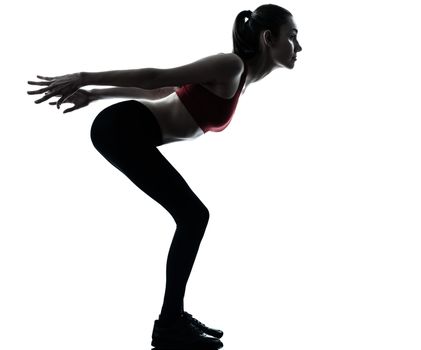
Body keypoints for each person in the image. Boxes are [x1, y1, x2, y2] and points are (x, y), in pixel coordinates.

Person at [26, 4, 302, 349]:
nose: (299, 47)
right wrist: (85, 77)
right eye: (292, 37)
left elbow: (160, 94)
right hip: (122, 127)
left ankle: (173, 317)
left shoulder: (239, 78)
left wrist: (95, 95)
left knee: (192, 216)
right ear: (268, 38)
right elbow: (157, 77)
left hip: (124, 128)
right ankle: (171, 322)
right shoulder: (230, 65)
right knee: (193, 216)